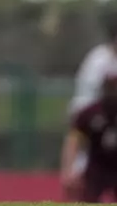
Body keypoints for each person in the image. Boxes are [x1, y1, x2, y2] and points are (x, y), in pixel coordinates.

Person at [61, 73, 117, 202]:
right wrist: (69, 170)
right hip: (97, 167)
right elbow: (73, 142)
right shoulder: (89, 113)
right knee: (88, 199)